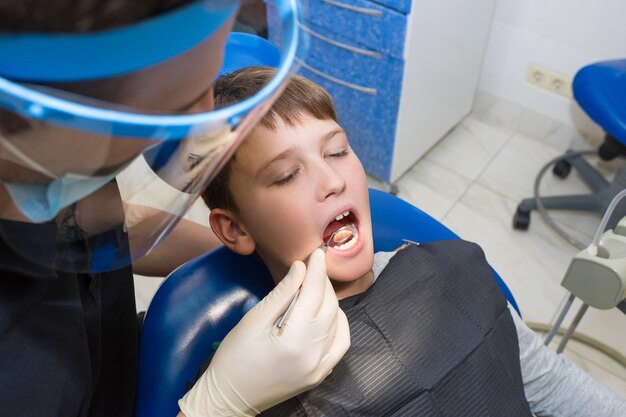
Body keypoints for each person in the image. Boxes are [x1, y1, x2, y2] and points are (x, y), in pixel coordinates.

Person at [200, 66, 626, 416]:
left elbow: (552, 385)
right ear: (236, 228)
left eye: (337, 151)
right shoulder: (251, 383)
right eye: (287, 175)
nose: (332, 181)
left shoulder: (452, 270)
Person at [0, 1, 349, 416]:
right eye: (181, 103)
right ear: (61, 117)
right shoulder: (22, 378)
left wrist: (266, 249)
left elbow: (108, 223)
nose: (207, 117)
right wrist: (215, 406)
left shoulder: (56, 166)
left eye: (338, 151)